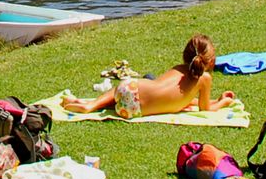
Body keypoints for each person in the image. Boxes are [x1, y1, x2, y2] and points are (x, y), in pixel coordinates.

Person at [61, 34, 236, 117]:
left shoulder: (177, 68)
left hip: (127, 89)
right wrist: (223, 102)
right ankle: (88, 105)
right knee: (138, 99)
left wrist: (216, 99)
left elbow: (187, 100)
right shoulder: (204, 79)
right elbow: (205, 109)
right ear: (210, 61)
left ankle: (90, 105)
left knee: (127, 91)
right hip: (131, 111)